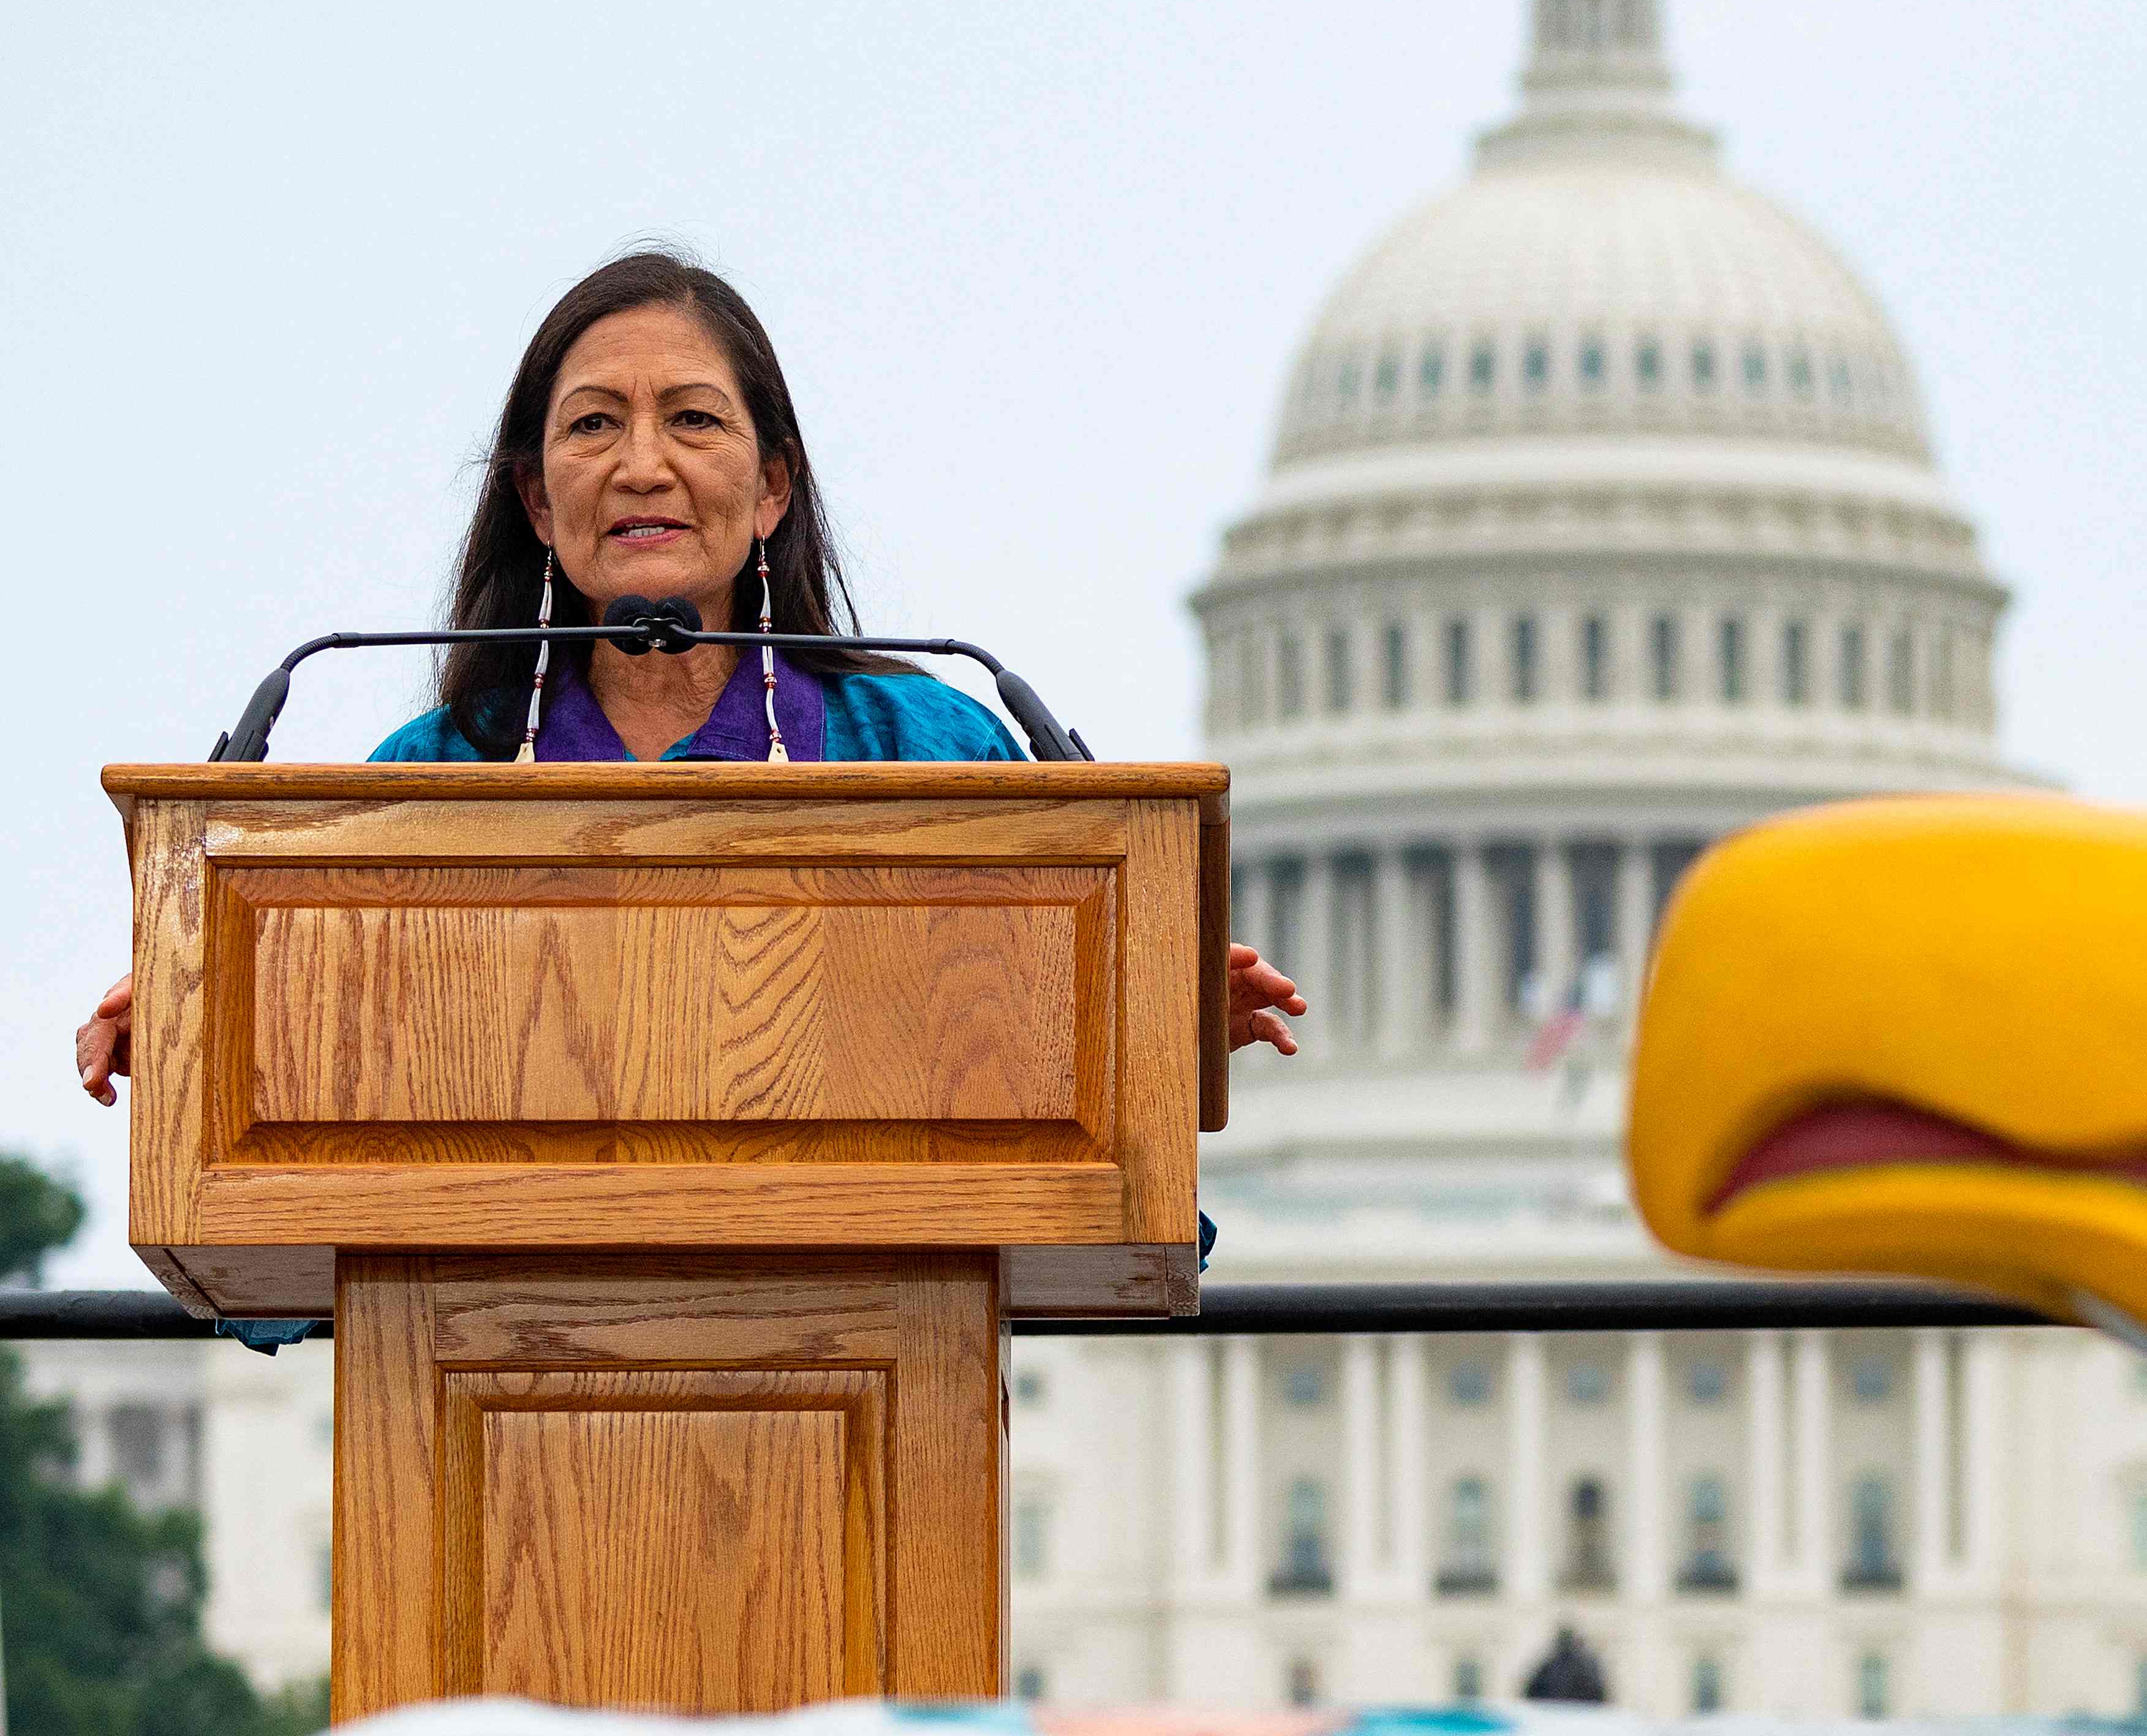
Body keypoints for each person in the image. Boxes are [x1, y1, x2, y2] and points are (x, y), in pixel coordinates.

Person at [76, 249, 1299, 1100]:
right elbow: (330, 1043)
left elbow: (1044, 1040)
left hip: (872, 1386)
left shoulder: (929, 747)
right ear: (535, 499)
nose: (644, 464)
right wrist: (208, 1006)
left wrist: (1154, 1007)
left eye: (694, 422)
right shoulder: (434, 778)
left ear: (771, 487)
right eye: (595, 423)